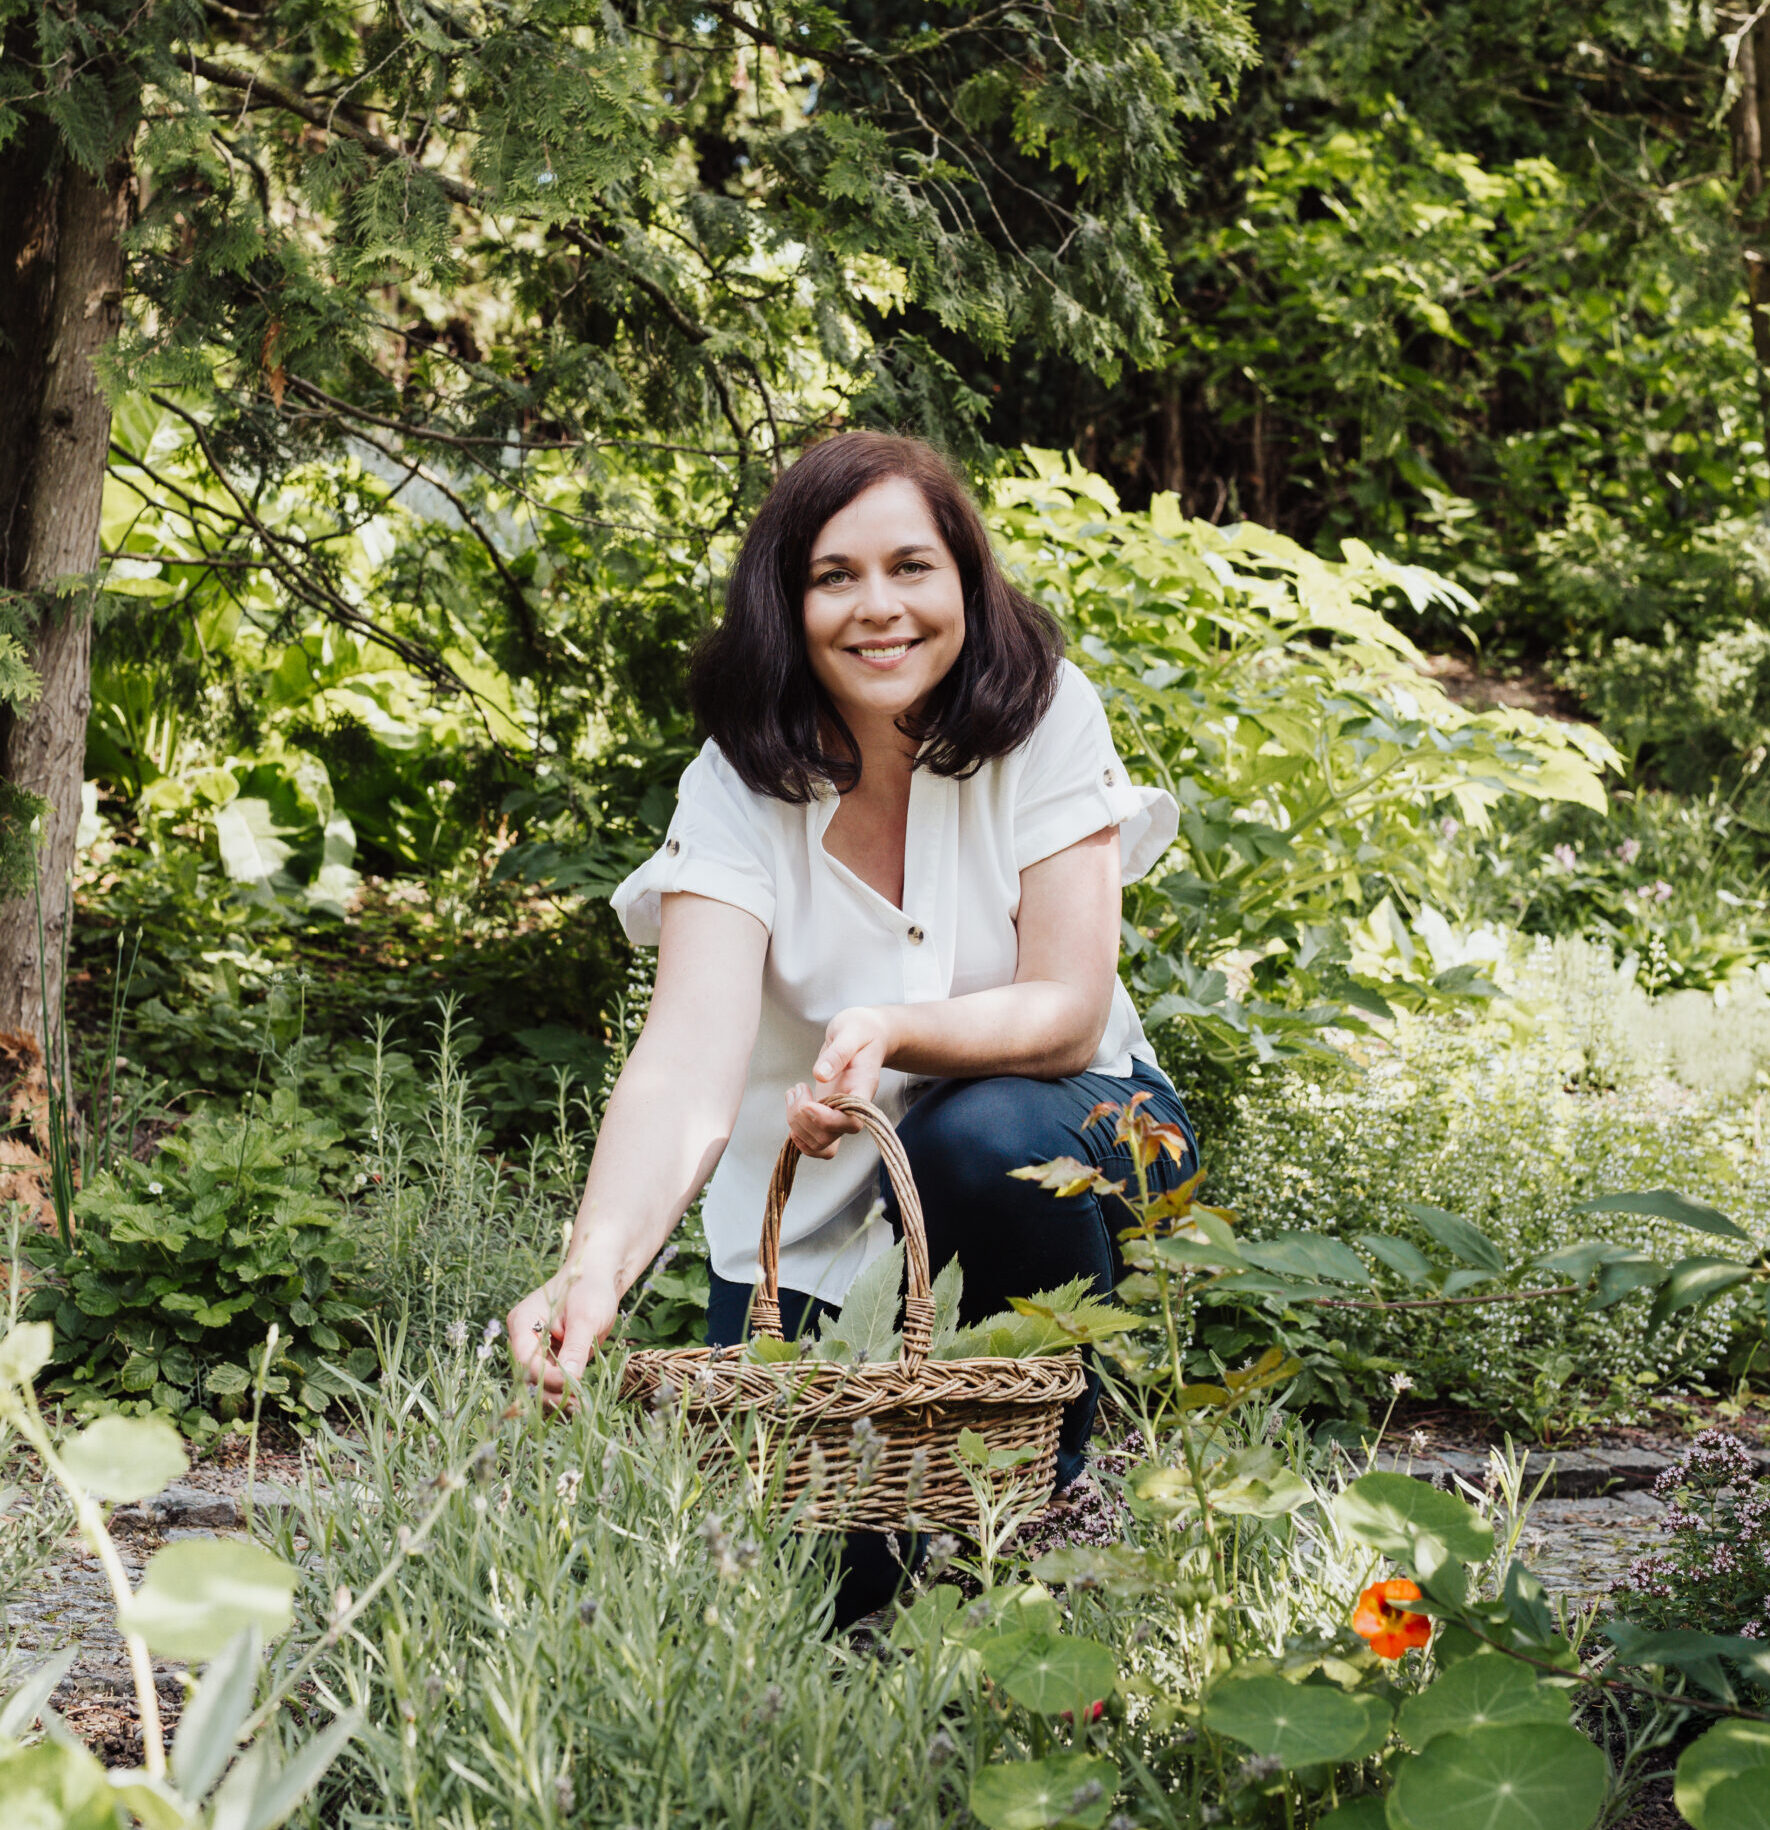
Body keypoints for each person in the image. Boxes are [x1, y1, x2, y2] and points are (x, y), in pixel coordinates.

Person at [507, 431, 1196, 1620]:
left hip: (1082, 1140)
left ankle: (1050, 1499)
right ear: (789, 601)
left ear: (965, 581)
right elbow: (683, 1065)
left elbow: (1068, 1007)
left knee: (973, 1144)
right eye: (835, 576)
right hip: (821, 1234)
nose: (879, 608)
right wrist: (591, 1269)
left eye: (911, 568)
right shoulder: (737, 785)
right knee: (819, 1601)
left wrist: (889, 1028)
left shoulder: (1042, 717)